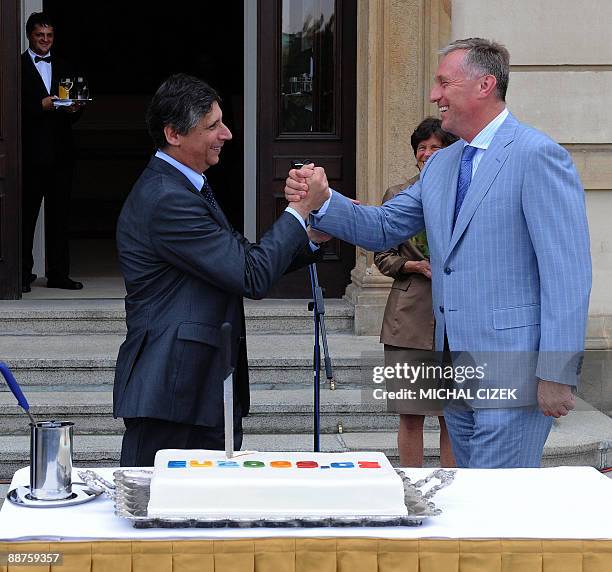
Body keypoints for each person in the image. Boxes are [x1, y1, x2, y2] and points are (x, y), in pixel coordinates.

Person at [285, 38, 592, 469]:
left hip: (515, 372)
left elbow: (567, 275)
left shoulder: (537, 155)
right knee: (468, 506)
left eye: (444, 83)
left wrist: (557, 372)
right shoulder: (442, 165)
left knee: (494, 511)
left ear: (485, 85)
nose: (435, 95)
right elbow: (383, 226)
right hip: (453, 371)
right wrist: (323, 201)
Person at [114, 74, 329, 467]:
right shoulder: (167, 197)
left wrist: (313, 234)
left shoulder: (186, 186)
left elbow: (242, 257)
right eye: (212, 126)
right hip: (172, 391)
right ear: (174, 134)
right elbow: (251, 274)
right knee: (157, 517)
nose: (226, 134)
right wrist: (297, 211)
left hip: (201, 388)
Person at [374, 118, 457, 467]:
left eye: (434, 147)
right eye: (421, 148)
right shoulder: (398, 194)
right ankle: (411, 487)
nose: (425, 153)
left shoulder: (463, 194)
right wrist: (415, 266)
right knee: (410, 413)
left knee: (452, 416)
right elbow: (382, 256)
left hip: (455, 320)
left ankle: (454, 488)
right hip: (408, 319)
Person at [21, 12, 83, 293]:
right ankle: (21, 273)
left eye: (49, 36)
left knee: (60, 216)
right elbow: (12, 110)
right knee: (25, 216)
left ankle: (58, 274)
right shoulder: (15, 68)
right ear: (29, 36)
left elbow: (71, 114)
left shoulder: (65, 66)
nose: (45, 41)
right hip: (29, 154)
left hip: (61, 154)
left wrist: (73, 109)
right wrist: (40, 106)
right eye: (39, 36)